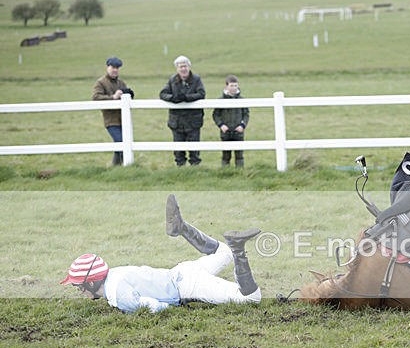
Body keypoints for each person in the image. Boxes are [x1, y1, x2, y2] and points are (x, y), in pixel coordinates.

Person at [61, 195, 262, 313]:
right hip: (181, 272)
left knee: (251, 300)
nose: (81, 292)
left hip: (187, 285)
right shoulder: (115, 273)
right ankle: (182, 228)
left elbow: (154, 306)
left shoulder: (117, 295)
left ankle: (238, 248)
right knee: (222, 252)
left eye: (80, 288)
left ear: (91, 283)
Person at [159, 56, 206, 166]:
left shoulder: (196, 79)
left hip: (193, 120)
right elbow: (162, 94)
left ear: (189, 67)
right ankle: (181, 169)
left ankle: (195, 168)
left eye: (185, 66)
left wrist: (186, 97)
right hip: (177, 121)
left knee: (194, 148)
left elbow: (201, 94)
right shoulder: (172, 80)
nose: (183, 69)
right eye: (180, 67)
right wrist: (173, 98)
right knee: (178, 148)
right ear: (177, 68)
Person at [91, 57, 134, 166]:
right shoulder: (100, 83)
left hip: (123, 119)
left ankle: (115, 167)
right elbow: (96, 97)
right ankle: (126, 166)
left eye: (117, 68)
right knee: (120, 142)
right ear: (107, 67)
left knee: (120, 144)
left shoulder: (121, 83)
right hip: (111, 120)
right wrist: (113, 97)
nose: (115, 70)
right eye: (113, 67)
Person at [212, 75, 250, 168]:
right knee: (226, 154)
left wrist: (242, 125)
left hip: (238, 131)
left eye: (235, 86)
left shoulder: (242, 100)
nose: (233, 88)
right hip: (226, 131)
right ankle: (225, 171)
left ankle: (240, 171)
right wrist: (221, 125)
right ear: (226, 86)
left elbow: (246, 114)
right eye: (231, 86)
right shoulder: (220, 100)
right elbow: (215, 115)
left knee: (239, 155)